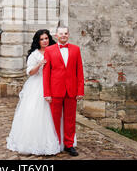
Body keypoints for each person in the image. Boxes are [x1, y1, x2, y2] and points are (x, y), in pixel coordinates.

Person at [6, 29, 62, 155]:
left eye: (46, 38)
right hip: (37, 85)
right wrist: (40, 64)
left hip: (53, 84)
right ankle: (36, 142)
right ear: (38, 41)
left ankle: (56, 140)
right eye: (42, 39)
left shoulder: (54, 51)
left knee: (54, 113)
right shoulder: (34, 54)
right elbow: (30, 72)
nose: (45, 41)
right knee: (36, 112)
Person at [43, 26, 84, 156]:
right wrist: (47, 93)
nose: (63, 36)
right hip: (55, 91)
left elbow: (80, 71)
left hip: (71, 91)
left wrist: (80, 91)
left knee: (70, 119)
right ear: (56, 35)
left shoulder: (76, 49)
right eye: (61, 34)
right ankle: (55, 144)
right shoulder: (49, 50)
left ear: (68, 35)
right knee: (54, 119)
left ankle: (69, 144)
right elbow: (46, 74)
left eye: (66, 33)